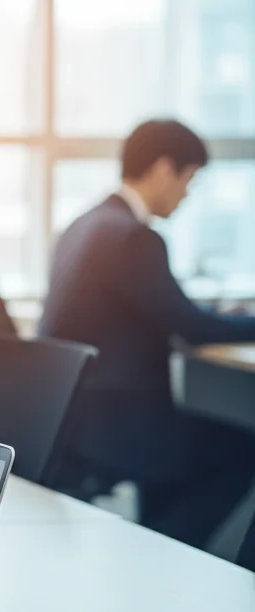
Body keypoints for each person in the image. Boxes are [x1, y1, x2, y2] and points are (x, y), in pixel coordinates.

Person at [40, 118, 255, 551]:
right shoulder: (135, 238)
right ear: (163, 169)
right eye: (189, 180)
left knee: (195, 457)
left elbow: (161, 310)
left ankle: (159, 548)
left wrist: (213, 314)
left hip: (74, 417)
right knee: (243, 450)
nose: (186, 195)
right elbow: (192, 328)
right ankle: (167, 550)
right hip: (120, 424)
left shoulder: (88, 224)